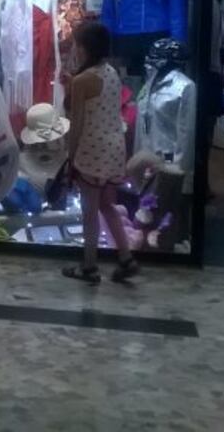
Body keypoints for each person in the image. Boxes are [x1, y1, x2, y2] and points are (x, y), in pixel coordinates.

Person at [62, 22, 139, 284]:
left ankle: (89, 266)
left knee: (89, 211)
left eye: (76, 44)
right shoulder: (112, 73)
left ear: (83, 48)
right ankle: (126, 258)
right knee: (108, 205)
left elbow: (77, 124)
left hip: (92, 149)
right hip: (115, 147)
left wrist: (71, 157)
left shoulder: (83, 80)